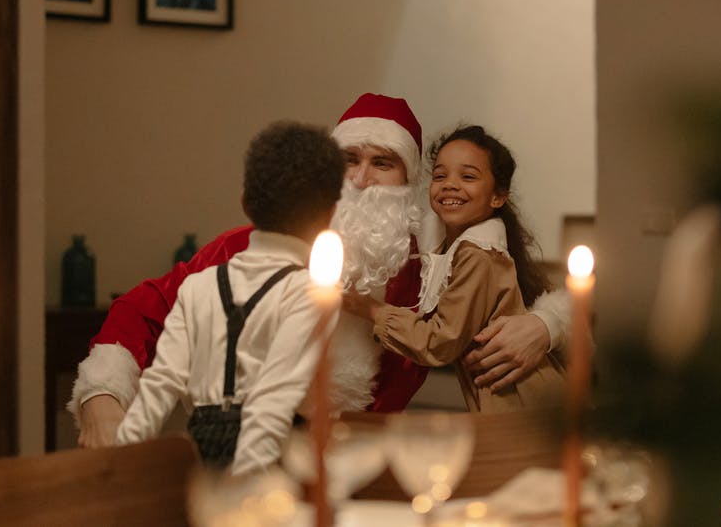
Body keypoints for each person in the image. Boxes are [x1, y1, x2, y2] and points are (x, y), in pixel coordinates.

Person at [70, 93, 571, 447]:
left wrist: (545, 325)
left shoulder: (429, 277)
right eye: (348, 159)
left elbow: (540, 296)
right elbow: (145, 307)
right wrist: (103, 394)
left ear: (409, 181)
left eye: (383, 163)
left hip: (362, 479)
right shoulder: (253, 245)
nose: (361, 178)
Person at [116, 122, 343, 474]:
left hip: (201, 465)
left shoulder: (197, 286)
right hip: (272, 469)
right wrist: (242, 497)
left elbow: (158, 388)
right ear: (331, 214)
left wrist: (115, 468)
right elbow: (272, 402)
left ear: (245, 204)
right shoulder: (310, 292)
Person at [346, 125, 566, 411]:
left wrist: (369, 308)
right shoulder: (446, 249)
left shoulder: (478, 254)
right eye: (440, 175)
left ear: (498, 197)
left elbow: (440, 342)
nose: (450, 184)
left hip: (527, 403)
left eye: (468, 176)